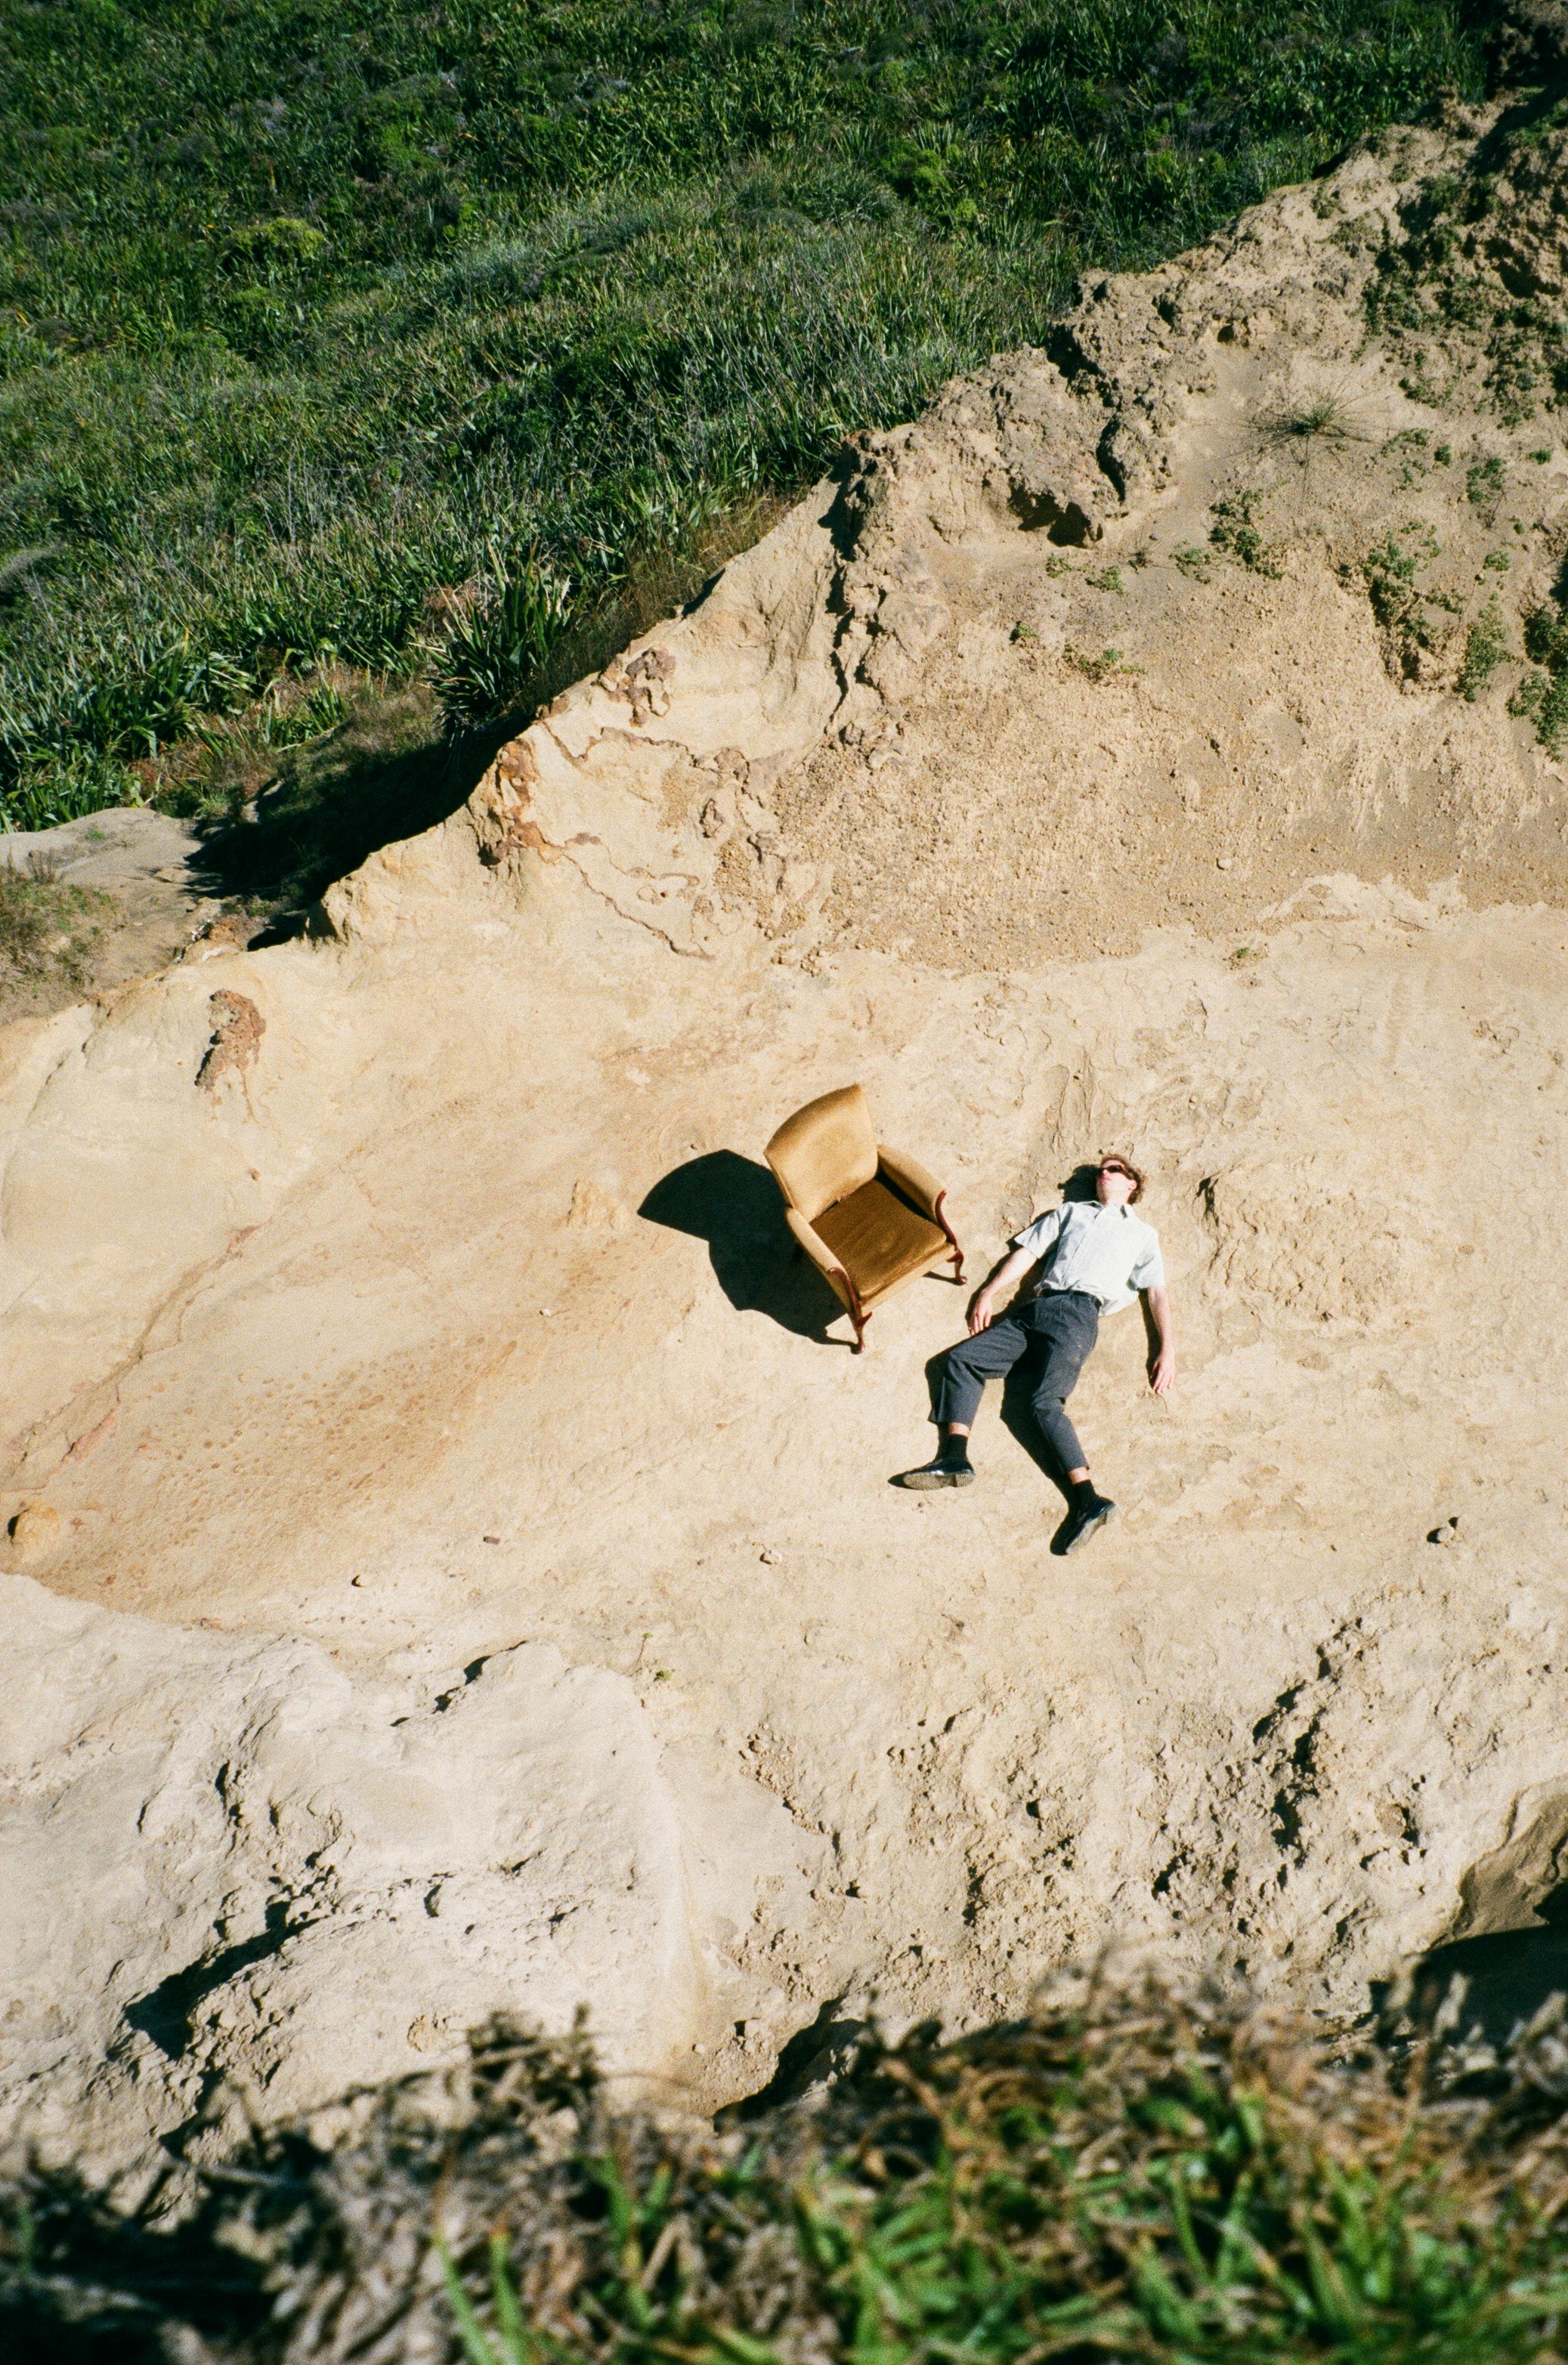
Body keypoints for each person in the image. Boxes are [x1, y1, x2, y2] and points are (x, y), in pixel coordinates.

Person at [900, 1154, 1174, 1553]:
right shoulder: (1069, 1213)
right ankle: (955, 1457)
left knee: (1044, 1403)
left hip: (1078, 1315)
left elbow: (1156, 1292)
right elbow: (1027, 1254)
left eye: (1114, 1169)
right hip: (1033, 1310)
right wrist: (989, 1293)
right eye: (1100, 1169)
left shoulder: (1142, 1235)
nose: (1103, 1173)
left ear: (1132, 1183)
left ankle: (1088, 1499)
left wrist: (1167, 1348)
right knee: (962, 1360)